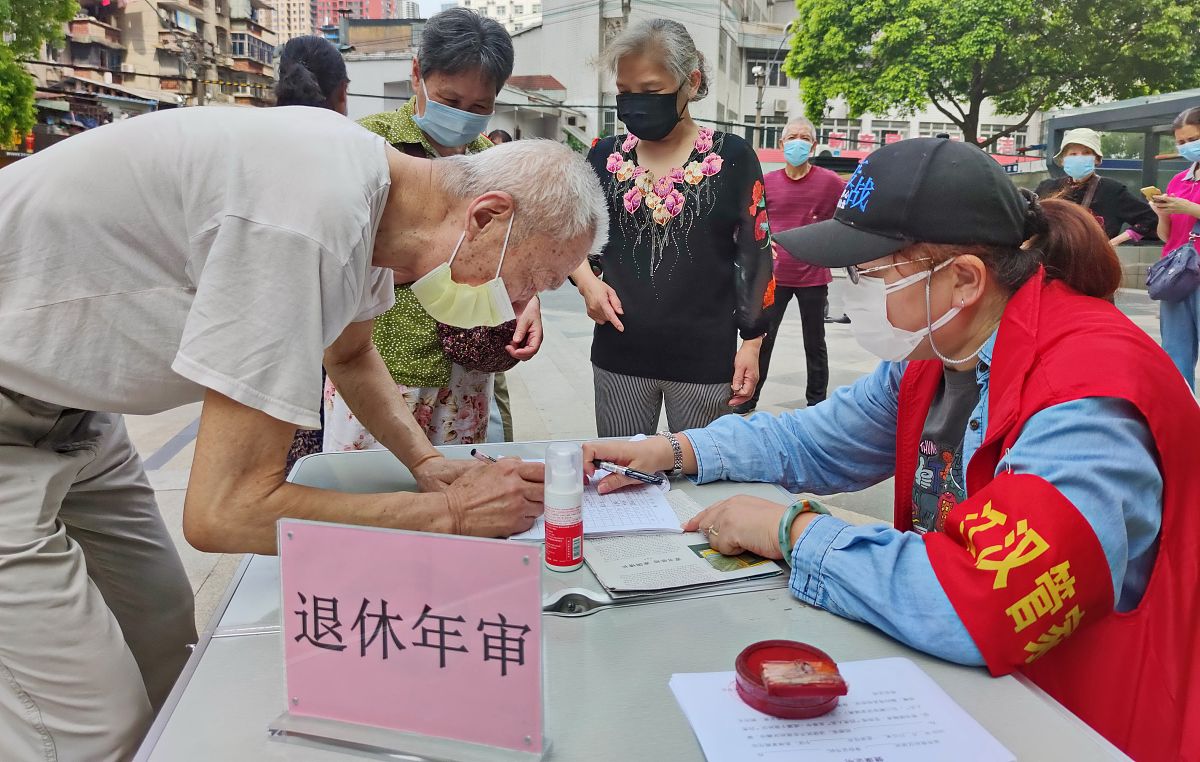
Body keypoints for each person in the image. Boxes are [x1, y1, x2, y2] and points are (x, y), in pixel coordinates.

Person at [0, 107, 607, 760]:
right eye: (530, 280)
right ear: (486, 216)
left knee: (162, 635)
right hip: (11, 409)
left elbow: (350, 354)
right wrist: (451, 515)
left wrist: (429, 464)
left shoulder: (371, 200)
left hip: (74, 412)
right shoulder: (303, 225)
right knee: (92, 724)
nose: (515, 304)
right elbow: (224, 511)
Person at [585, 138, 1200, 761]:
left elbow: (990, 601)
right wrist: (673, 449)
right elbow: (815, 440)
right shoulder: (939, 349)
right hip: (975, 694)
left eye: (871, 273)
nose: (853, 294)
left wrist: (794, 532)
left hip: (1080, 720)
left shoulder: (1088, 393)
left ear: (964, 279)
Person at [328, 8, 531, 451]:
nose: (463, 117)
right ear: (417, 74)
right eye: (450, 101)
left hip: (464, 376)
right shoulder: (369, 147)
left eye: (479, 108)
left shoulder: (495, 166)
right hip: (377, 368)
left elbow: (507, 257)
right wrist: (421, 263)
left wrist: (525, 301)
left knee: (458, 485)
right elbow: (334, 255)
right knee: (370, 486)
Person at [573, 18, 773, 436]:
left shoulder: (733, 157)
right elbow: (571, 237)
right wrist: (588, 283)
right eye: (625, 92)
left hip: (705, 362)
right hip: (619, 354)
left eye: (650, 92)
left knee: (704, 470)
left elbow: (754, 254)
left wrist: (752, 343)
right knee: (622, 468)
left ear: (690, 82)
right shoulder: (604, 156)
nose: (635, 104)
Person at [273, 35, 352, 473]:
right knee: (327, 466)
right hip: (333, 337)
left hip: (272, 346)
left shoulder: (258, 147)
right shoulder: (352, 157)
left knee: (285, 466)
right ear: (343, 92)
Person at [733, 116, 846, 414]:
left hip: (814, 276)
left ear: (814, 145)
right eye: (792, 137)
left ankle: (816, 403)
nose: (798, 142)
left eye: (804, 137)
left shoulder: (830, 183)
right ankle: (749, 398)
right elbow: (751, 222)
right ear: (782, 144)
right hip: (774, 277)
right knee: (762, 340)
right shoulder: (767, 182)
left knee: (815, 343)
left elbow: (846, 218)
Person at [1035, 127, 1158, 246]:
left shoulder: (1112, 190)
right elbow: (1030, 220)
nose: (1079, 158)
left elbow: (1150, 218)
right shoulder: (1047, 187)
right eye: (1073, 154)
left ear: (1097, 159)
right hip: (1048, 257)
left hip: (1093, 258)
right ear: (1062, 160)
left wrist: (1112, 243)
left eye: (1086, 153)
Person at [1149, 107, 1200, 390]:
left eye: (1193, 139)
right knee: (1174, 352)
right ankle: (1182, 408)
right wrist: (1162, 213)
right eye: (1181, 142)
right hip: (1177, 276)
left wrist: (1189, 207)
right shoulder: (1178, 180)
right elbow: (1166, 236)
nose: (1187, 146)